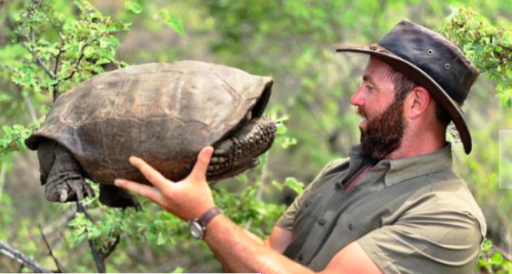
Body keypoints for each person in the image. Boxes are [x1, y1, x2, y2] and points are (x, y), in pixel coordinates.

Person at [114, 20, 487, 274]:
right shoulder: (337, 174)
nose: (355, 98)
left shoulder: (449, 216)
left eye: (370, 87)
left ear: (416, 103)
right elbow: (264, 258)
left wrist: (204, 216)